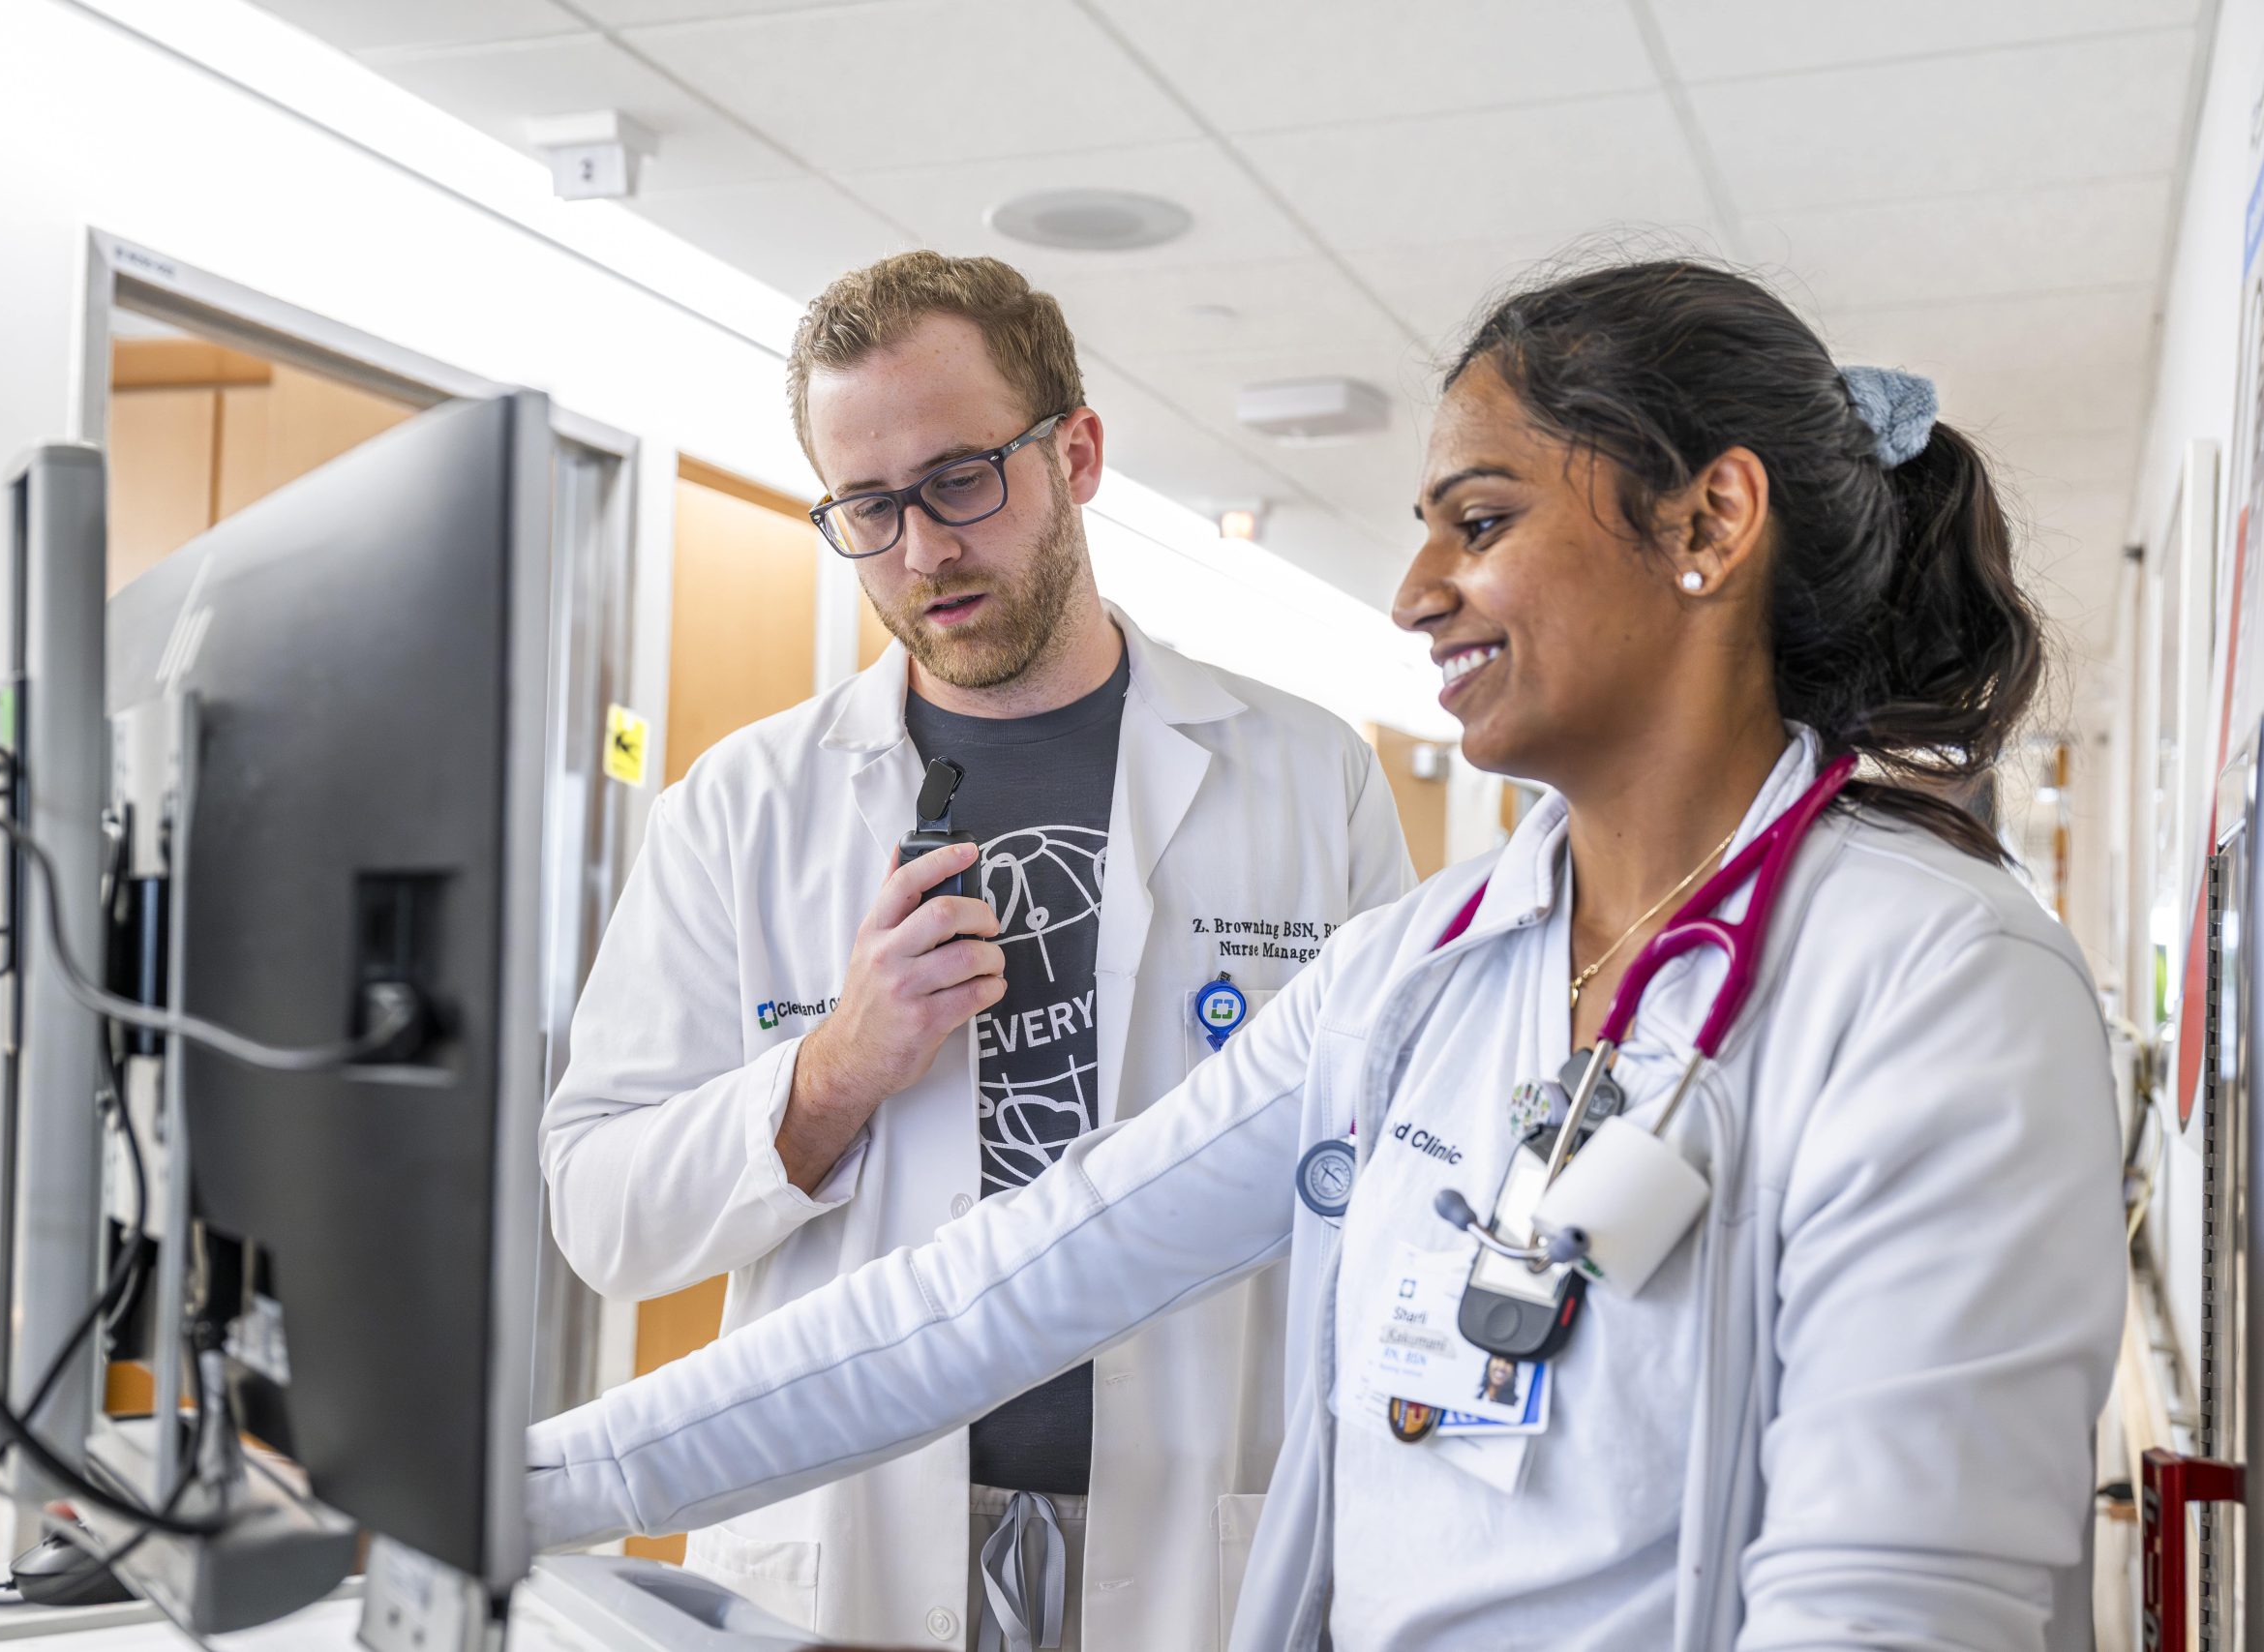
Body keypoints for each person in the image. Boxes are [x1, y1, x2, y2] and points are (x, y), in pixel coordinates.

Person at [528, 258, 2126, 1652]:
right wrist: (521, 1485)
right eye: (866, 508)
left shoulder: (1942, 987)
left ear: (1708, 520)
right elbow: (998, 1288)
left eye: (1480, 522)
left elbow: (1889, 1608)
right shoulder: (1430, 969)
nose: (1417, 593)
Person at [539, 250, 1413, 1652]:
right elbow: (603, 1218)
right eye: (869, 508)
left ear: (1076, 452)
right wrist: (829, 1075)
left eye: (961, 479)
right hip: (852, 1523)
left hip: (1197, 1536)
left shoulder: (1308, 777)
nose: (924, 549)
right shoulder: (746, 805)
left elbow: (1391, 1179)